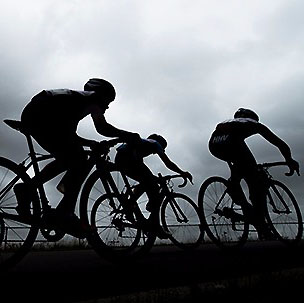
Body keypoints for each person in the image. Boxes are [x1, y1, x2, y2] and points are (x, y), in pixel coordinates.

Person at [14, 78, 140, 237]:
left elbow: (68, 135)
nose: (107, 106)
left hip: (39, 113)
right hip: (42, 114)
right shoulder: (91, 98)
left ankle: (28, 189)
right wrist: (127, 135)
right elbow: (102, 127)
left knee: (69, 157)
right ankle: (64, 212)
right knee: (78, 159)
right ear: (100, 94)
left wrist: (90, 143)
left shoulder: (73, 102)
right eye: (108, 101)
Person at [208, 107, 300, 239]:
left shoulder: (231, 122)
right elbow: (279, 143)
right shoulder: (254, 124)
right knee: (254, 179)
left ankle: (235, 189)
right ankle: (260, 223)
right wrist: (289, 159)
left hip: (214, 144)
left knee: (243, 167)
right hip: (232, 143)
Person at [114, 133, 193, 238]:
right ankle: (155, 224)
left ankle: (131, 205)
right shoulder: (155, 143)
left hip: (121, 158)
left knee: (148, 181)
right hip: (128, 158)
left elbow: (144, 172)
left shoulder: (141, 146)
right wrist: (182, 172)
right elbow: (167, 163)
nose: (155, 154)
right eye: (161, 149)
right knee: (153, 187)